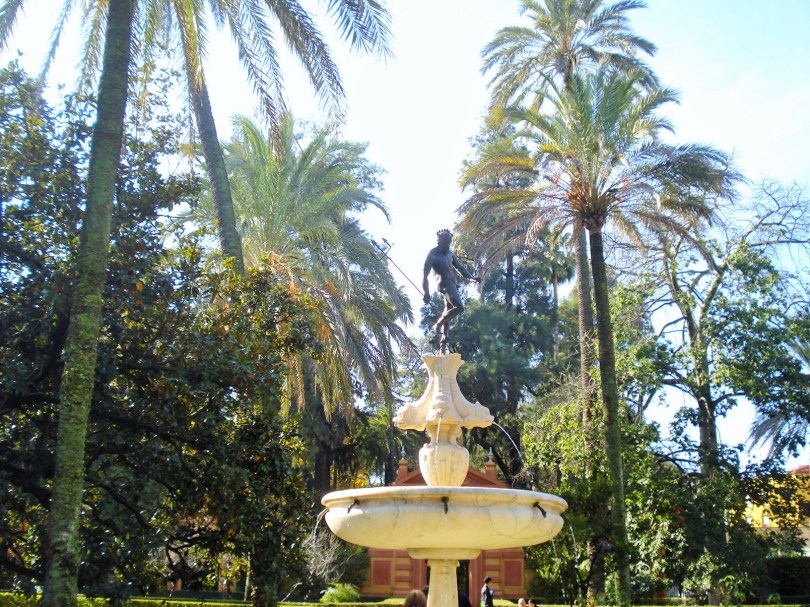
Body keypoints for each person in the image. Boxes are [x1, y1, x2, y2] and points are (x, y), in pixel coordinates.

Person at [422, 229, 479, 353]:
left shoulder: (450, 253)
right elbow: (425, 275)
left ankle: (444, 336)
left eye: (449, 242)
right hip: (444, 283)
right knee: (459, 307)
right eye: (446, 242)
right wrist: (426, 292)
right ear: (440, 242)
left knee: (448, 309)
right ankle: (437, 325)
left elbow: (460, 267)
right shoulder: (432, 254)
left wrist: (471, 278)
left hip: (452, 283)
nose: (448, 244)